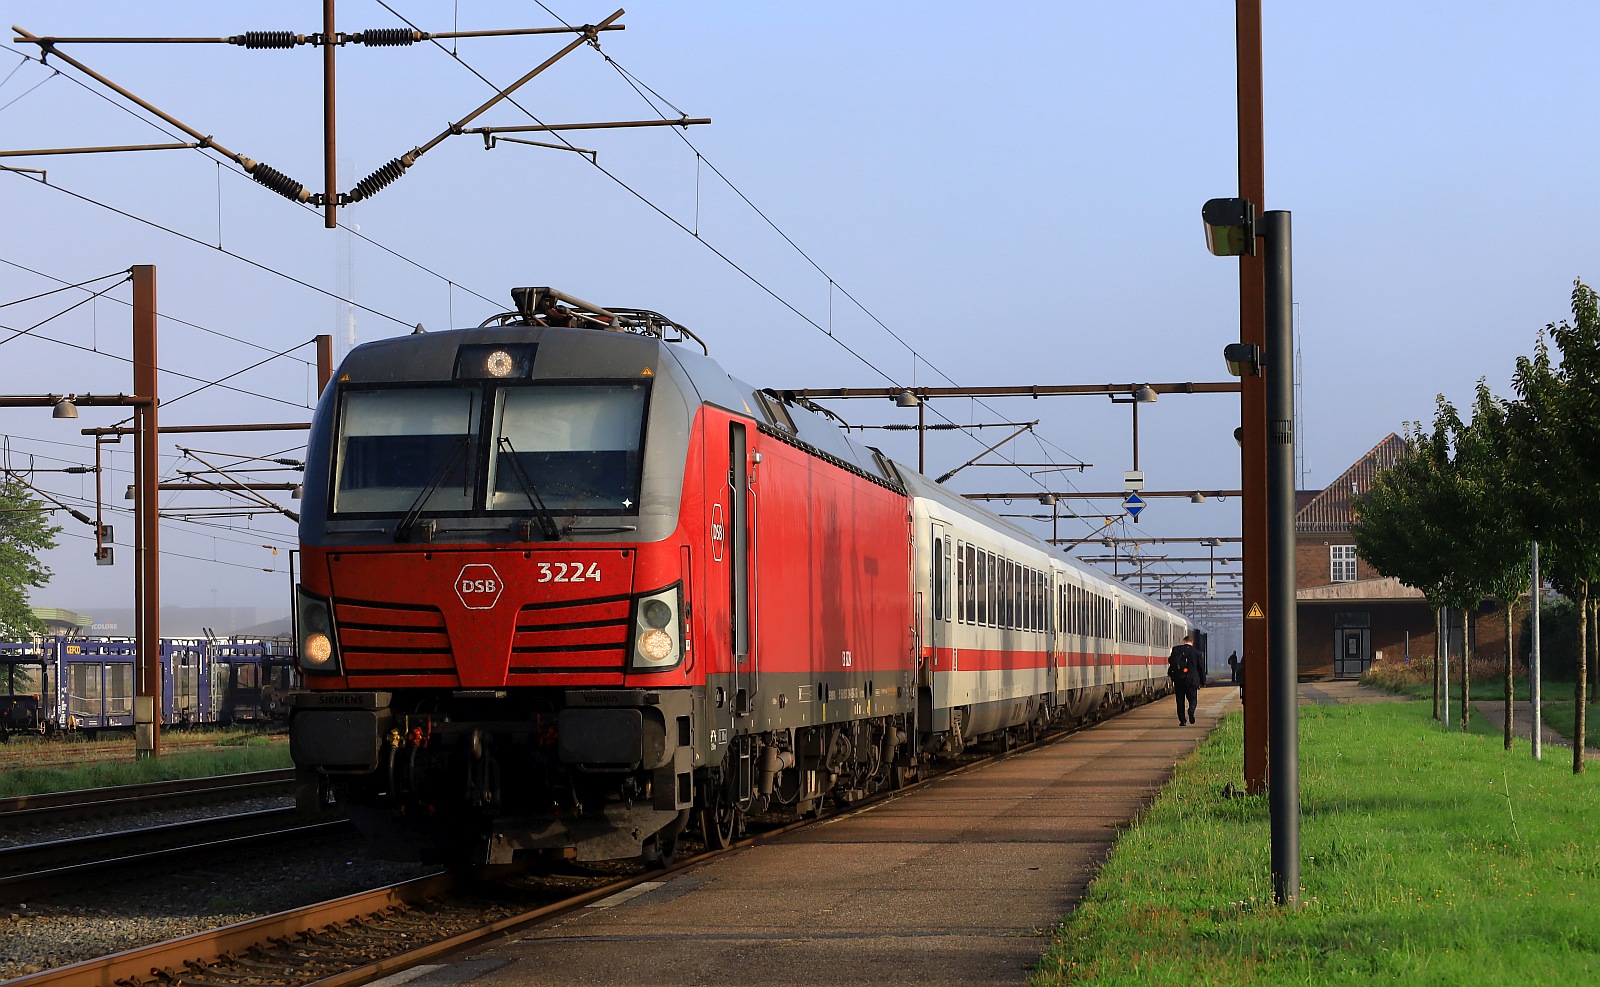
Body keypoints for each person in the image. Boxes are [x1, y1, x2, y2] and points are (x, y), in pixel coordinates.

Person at [1168, 634, 1203, 725]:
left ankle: (1182, 720)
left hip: (1179, 679)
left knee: (1180, 700)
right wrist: (1202, 681)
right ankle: (1191, 710)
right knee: (1193, 699)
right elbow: (1201, 668)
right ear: (1192, 642)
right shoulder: (1197, 652)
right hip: (1192, 680)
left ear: (1184, 641)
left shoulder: (1176, 649)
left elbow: (1171, 661)